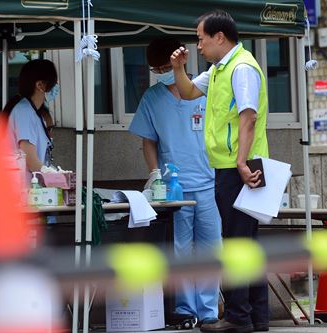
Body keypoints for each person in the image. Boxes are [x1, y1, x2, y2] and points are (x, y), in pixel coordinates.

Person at [170, 10, 269, 333]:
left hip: (239, 166)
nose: (198, 45)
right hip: (234, 166)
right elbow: (187, 93)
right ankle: (258, 316)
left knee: (237, 242)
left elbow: (248, 117)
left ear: (219, 38)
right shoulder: (218, 70)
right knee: (246, 242)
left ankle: (239, 318)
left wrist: (241, 162)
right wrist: (178, 68)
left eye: (201, 39)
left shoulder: (240, 69)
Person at [128, 36, 222, 326]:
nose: (160, 72)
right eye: (155, 69)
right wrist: (154, 173)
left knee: (210, 248)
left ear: (179, 60)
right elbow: (148, 141)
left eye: (163, 66)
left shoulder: (205, 89)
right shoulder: (152, 98)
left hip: (209, 182)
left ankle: (209, 312)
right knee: (180, 250)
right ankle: (185, 310)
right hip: (174, 188)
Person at [4, 59, 59, 183]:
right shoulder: (23, 112)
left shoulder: (34, 113)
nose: (56, 86)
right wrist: (58, 178)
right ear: (40, 85)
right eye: (54, 82)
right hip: (21, 190)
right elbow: (32, 162)